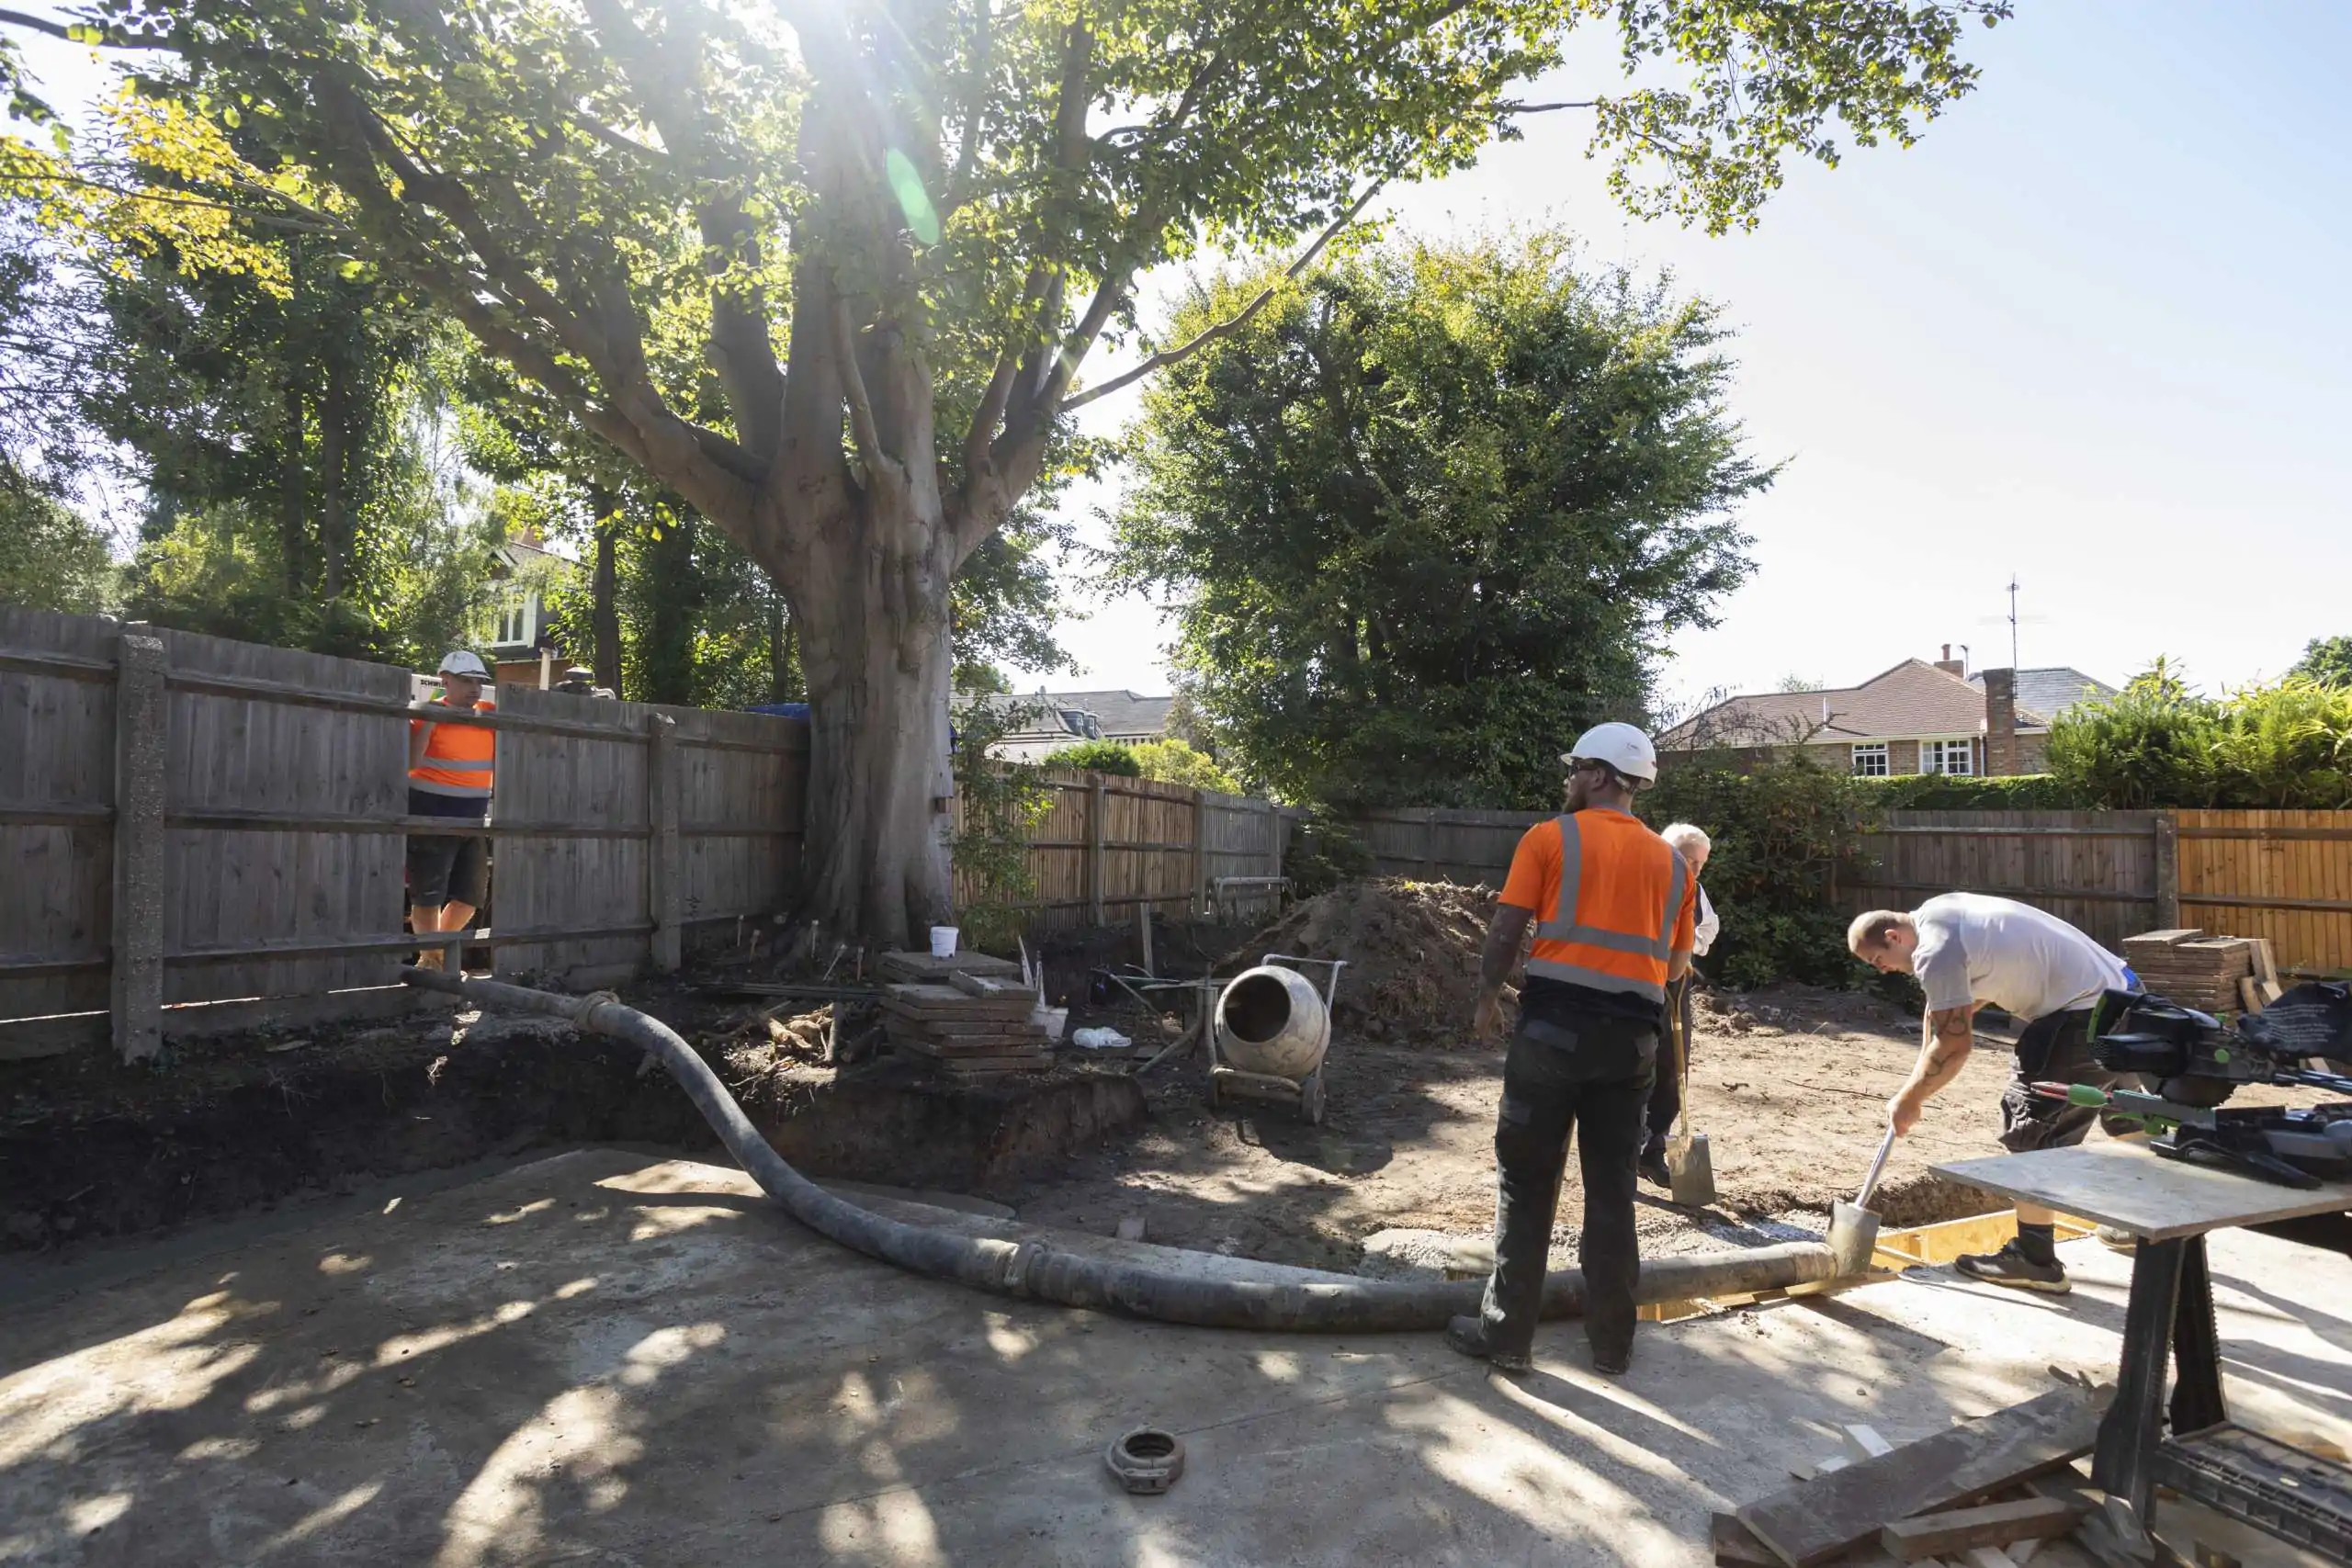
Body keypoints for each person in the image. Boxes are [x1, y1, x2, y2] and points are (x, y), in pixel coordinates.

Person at [1449, 722, 1699, 1377]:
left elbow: (1505, 932)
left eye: (1575, 769)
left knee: (1527, 1183)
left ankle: (1508, 1339)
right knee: (1613, 1191)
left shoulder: (1548, 838)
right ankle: (1613, 1346)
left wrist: (1486, 998)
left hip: (1550, 1038)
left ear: (1597, 775)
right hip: (1631, 1049)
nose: (1568, 781)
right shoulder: (1676, 866)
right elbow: (1674, 971)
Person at [1849, 894, 2140, 1293]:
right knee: (2126, 1108)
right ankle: (2146, 1223)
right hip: (2124, 994)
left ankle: (2035, 1260)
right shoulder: (1941, 910)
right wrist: (1951, 1017)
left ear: (1893, 936)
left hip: (2081, 1013)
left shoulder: (1934, 953)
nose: (1883, 971)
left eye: (1878, 961)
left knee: (2032, 1130)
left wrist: (1910, 1099)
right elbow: (1987, 976)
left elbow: (1954, 1047)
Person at [1641, 822, 1719, 1188]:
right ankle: (1625, 1153)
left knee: (1674, 1066)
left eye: (1701, 863)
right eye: (1689, 860)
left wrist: (1689, 951)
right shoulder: (1640, 879)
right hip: (1635, 981)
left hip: (1677, 983)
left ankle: (1654, 1149)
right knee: (1633, 1065)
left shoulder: (1696, 890)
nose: (1695, 869)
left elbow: (1709, 929)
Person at [407, 650, 496, 970]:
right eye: (465, 680)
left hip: (472, 822)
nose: (474, 688)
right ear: (445, 681)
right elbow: (410, 763)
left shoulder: (489, 715)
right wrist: (430, 723)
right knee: (427, 896)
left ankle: (435, 951)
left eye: (479, 681)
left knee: (472, 896)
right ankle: (432, 959)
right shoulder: (427, 714)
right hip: (431, 818)